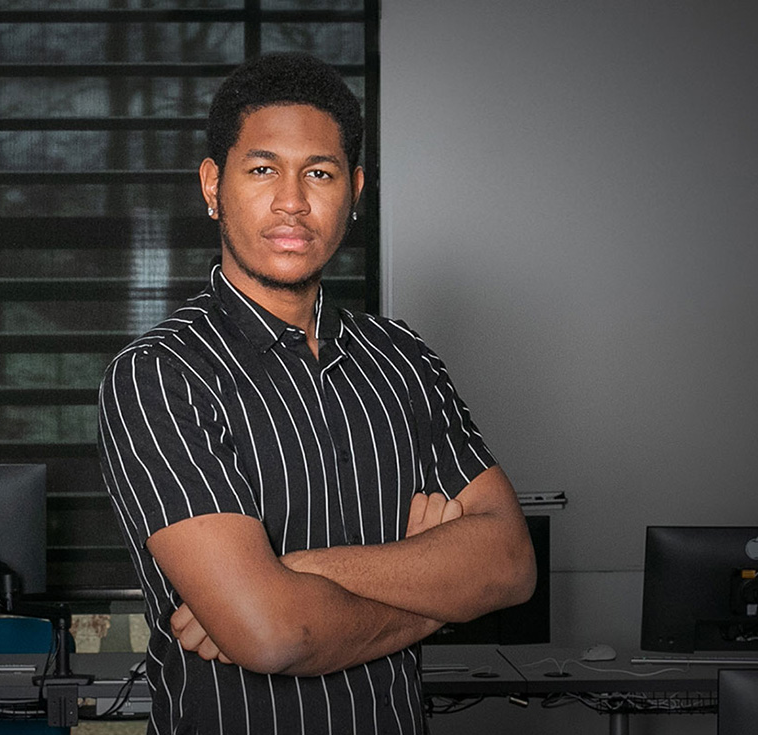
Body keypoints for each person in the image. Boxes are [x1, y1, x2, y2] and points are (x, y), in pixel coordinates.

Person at [98, 52, 536, 735]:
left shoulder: (403, 359)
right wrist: (441, 591)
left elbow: (509, 564)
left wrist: (293, 572)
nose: (292, 202)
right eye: (262, 169)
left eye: (320, 173)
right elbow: (277, 636)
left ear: (354, 191)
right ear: (213, 185)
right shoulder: (161, 375)